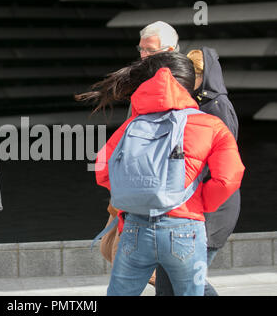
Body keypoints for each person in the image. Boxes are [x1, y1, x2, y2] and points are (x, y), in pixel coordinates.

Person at [76, 52, 245, 296]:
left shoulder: (131, 125)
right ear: (189, 85)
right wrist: (199, 202)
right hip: (185, 229)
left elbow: (102, 168)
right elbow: (228, 178)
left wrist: (135, 193)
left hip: (135, 228)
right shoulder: (211, 125)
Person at [154, 47, 241, 296]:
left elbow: (224, 168)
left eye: (192, 75)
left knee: (188, 280)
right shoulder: (199, 105)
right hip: (194, 208)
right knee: (172, 279)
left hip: (212, 210)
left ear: (204, 76)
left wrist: (201, 204)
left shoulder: (217, 106)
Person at [100, 21, 181, 286]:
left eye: (150, 50)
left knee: (138, 271)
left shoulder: (177, 86)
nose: (143, 55)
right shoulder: (144, 82)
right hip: (137, 189)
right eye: (141, 49)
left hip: (160, 195)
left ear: (170, 50)